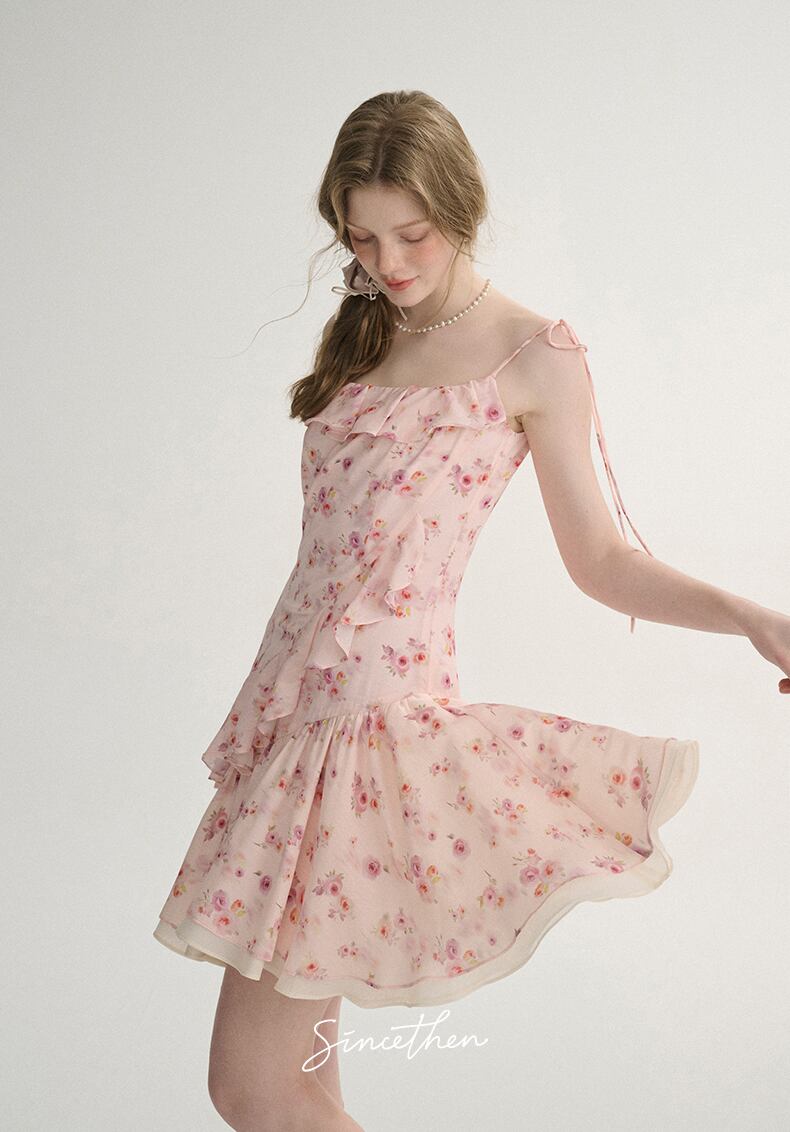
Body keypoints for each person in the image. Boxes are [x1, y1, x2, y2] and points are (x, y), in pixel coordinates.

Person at [153, 90, 790, 1132]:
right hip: (293, 721)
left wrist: (754, 616)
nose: (389, 262)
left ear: (463, 205)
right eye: (362, 238)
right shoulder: (365, 333)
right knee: (303, 1085)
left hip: (373, 732)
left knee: (252, 1086)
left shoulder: (533, 352)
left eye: (412, 233)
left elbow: (602, 560)